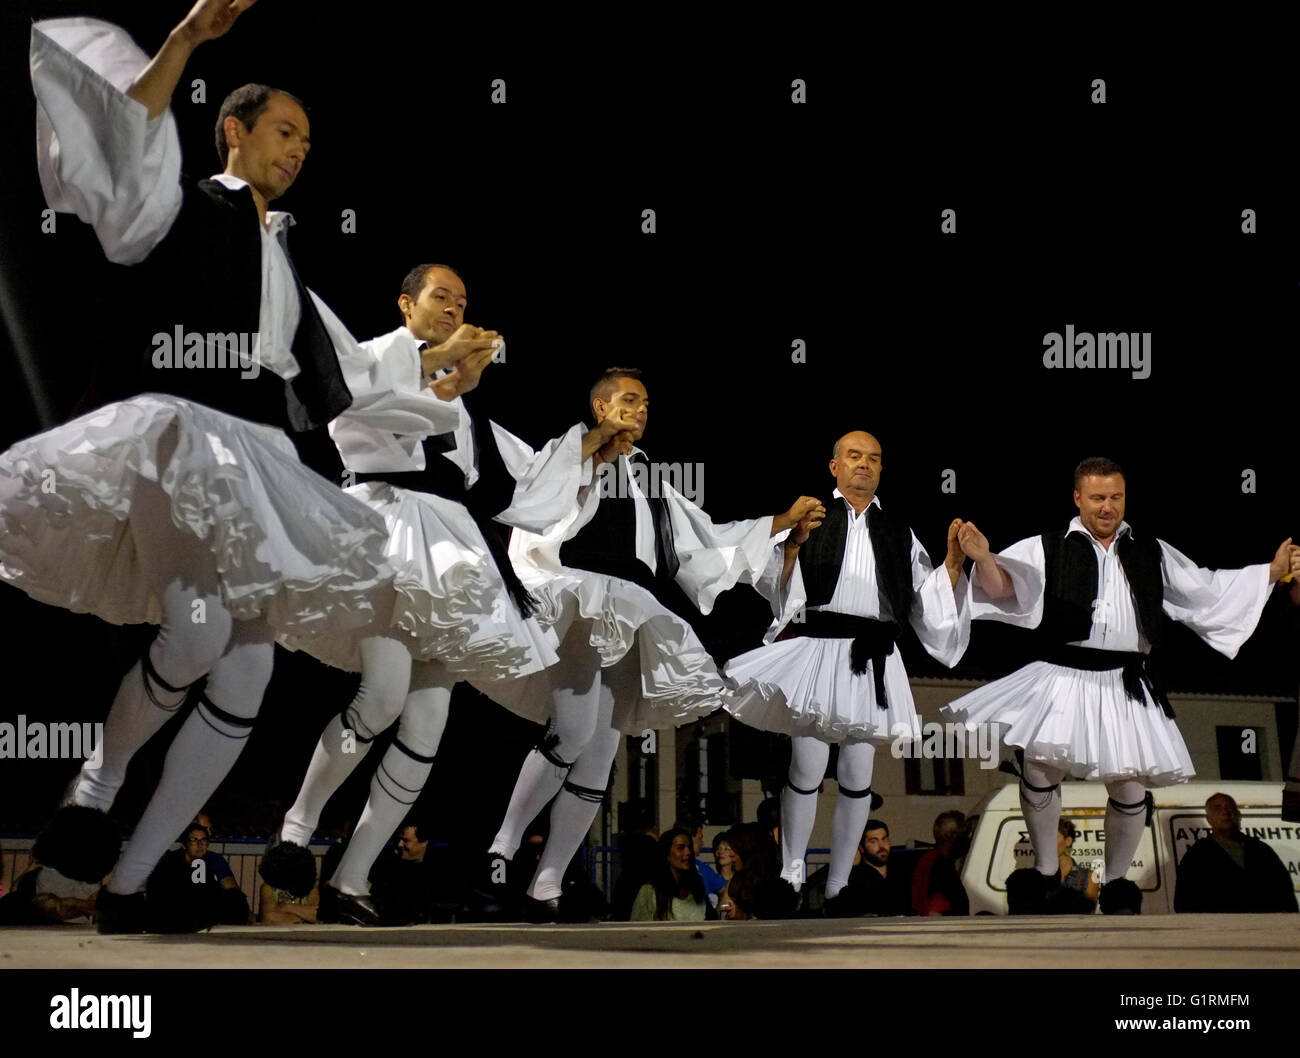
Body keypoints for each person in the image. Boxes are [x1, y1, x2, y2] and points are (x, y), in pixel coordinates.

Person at [6, 3, 411, 933]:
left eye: (307, 138)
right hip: (185, 432)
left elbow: (354, 370)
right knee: (194, 639)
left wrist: (437, 364)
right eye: (283, 130)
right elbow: (123, 129)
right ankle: (90, 797)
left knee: (245, 680)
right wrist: (183, 44)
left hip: (261, 454)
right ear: (234, 129)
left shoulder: (287, 257)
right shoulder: (182, 205)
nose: (299, 148)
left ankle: (129, 885)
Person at [259, 262, 589, 924]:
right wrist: (440, 371)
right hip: (383, 526)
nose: (454, 308)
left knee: (428, 725)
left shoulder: (462, 393)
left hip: (446, 545)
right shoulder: (377, 355)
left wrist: (583, 460)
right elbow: (347, 406)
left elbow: (490, 479)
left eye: (463, 301)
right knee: (380, 697)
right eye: (442, 297)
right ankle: (296, 829)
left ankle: (351, 880)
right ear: (407, 302)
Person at [478, 368, 821, 920]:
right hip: (582, 595)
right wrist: (594, 443)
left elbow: (707, 542)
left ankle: (548, 882)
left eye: (644, 403)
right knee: (570, 728)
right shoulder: (569, 453)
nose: (640, 410)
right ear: (599, 405)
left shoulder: (652, 479)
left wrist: (782, 524)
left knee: (597, 756)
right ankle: (504, 845)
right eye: (629, 400)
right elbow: (537, 493)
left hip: (634, 610)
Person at [943, 457, 1298, 910]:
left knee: (1130, 785)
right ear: (1077, 498)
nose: (1108, 507)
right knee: (1039, 768)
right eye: (1098, 498)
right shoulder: (1047, 546)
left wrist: (1270, 571)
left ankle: (1116, 885)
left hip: (1126, 680)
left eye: (1116, 497)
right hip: (1063, 674)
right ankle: (1047, 874)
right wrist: (983, 558)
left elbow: (1204, 591)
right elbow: (1002, 589)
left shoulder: (1149, 549)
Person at [724, 430, 970, 912]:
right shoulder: (812, 516)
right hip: (818, 649)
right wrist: (793, 544)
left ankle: (839, 884)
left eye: (874, 458)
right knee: (807, 765)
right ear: (834, 466)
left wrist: (954, 567)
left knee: (859, 771)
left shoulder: (898, 530)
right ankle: (791, 876)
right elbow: (776, 584)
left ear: (881, 469)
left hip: (872, 653)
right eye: (854, 456)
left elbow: (925, 598)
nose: (864, 465)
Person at [1174, 793, 1298, 913]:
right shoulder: (1197, 856)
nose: (1225, 812)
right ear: (1209, 819)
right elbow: (1184, 904)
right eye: (1218, 808)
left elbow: (1286, 895)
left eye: (1230, 807)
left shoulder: (1261, 851)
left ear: (1239, 815)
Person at [145, 824, 250, 932]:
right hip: (177, 909)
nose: (200, 845)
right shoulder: (171, 860)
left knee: (235, 897)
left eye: (203, 840)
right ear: (184, 845)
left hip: (205, 907)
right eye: (194, 840)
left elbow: (231, 887)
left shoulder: (214, 859)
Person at [833, 819, 911, 917]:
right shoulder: (855, 880)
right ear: (861, 848)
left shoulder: (903, 872)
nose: (882, 846)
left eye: (884, 839)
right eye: (874, 841)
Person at [629, 828, 708, 922]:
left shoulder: (697, 888)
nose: (688, 853)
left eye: (689, 847)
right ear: (666, 854)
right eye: (681, 848)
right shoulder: (649, 892)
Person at [910, 811, 970, 916]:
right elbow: (935, 912)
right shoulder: (941, 867)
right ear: (951, 836)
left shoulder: (930, 860)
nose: (968, 840)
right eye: (964, 834)